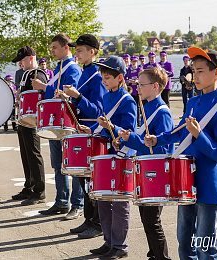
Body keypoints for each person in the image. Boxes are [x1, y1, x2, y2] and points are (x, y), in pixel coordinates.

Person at [144, 47, 217, 259]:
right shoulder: (193, 102)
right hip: (186, 182)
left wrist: (199, 135)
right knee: (184, 242)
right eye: (193, 71)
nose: (195, 76)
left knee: (205, 246)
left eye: (200, 71)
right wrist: (159, 139)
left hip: (209, 184)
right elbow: (180, 133)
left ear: (216, 74)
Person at [78, 56, 137, 259]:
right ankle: (109, 242)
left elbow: (130, 130)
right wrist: (91, 129)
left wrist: (112, 128)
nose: (104, 81)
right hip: (106, 155)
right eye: (103, 77)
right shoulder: (107, 96)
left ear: (120, 77)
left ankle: (120, 246)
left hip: (121, 156)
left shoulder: (127, 100)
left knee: (119, 203)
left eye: (108, 77)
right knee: (103, 200)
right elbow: (103, 120)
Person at [117, 67, 174, 260]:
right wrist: (125, 140)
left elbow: (163, 150)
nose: (137, 89)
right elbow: (143, 143)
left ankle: (162, 257)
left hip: (157, 173)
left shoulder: (162, 113)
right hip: (146, 170)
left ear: (155, 86)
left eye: (141, 85)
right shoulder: (148, 107)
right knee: (146, 218)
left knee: (152, 220)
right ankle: (154, 254)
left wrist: (132, 139)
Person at [56, 33, 106, 237]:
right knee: (84, 179)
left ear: (92, 51)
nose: (76, 53)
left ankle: (98, 224)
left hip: (93, 131)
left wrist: (77, 97)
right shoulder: (85, 72)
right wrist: (67, 98)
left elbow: (98, 110)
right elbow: (80, 105)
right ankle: (88, 219)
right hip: (81, 130)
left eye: (80, 50)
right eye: (75, 50)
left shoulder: (98, 75)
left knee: (93, 180)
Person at [31, 33, 83, 220]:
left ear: (66, 47)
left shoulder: (73, 69)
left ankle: (78, 204)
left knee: (74, 165)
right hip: (55, 121)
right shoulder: (59, 67)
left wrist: (44, 87)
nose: (52, 51)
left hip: (67, 122)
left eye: (55, 47)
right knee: (58, 164)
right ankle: (62, 201)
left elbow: (69, 94)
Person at [10, 46, 48, 206]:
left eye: (22, 59)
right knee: (25, 155)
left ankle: (39, 192)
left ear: (31, 57)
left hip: (33, 119)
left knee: (33, 154)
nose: (20, 63)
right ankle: (29, 186)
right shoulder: (26, 74)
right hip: (24, 119)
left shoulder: (38, 74)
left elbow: (43, 94)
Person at [125, 55, 143, 125]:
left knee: (138, 106)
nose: (133, 63)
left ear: (137, 62)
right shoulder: (128, 70)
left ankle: (138, 120)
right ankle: (132, 120)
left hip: (138, 90)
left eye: (135, 61)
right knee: (131, 106)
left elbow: (142, 79)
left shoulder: (140, 70)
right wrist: (129, 81)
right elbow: (124, 79)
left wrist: (137, 81)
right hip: (130, 91)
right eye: (132, 61)